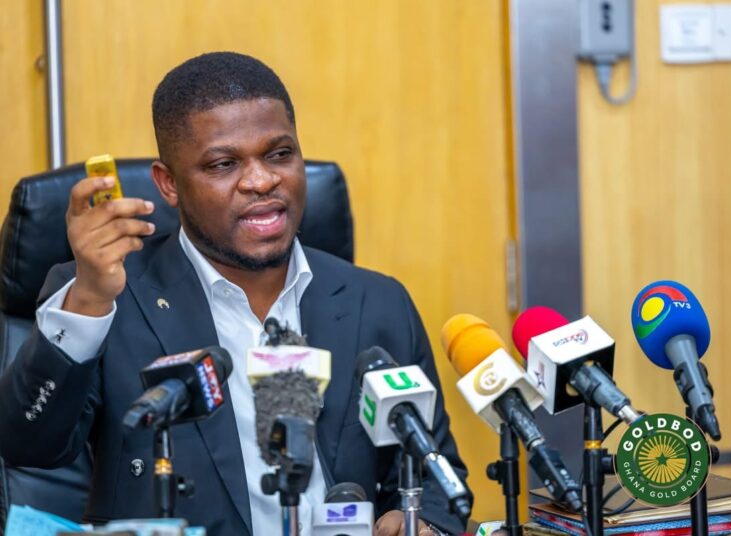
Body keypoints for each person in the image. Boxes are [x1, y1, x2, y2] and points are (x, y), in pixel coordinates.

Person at [0, 52, 470, 535]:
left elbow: (437, 478)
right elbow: (28, 445)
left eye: (279, 154)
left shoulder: (377, 303)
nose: (262, 181)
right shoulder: (108, 298)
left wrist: (423, 522)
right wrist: (88, 301)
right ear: (169, 184)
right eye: (224, 164)